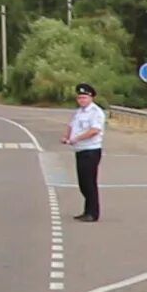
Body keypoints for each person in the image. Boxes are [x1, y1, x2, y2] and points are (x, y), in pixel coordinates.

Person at [61, 82, 105, 222]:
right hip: (80, 150)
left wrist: (76, 139)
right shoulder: (78, 112)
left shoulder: (95, 112)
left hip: (91, 150)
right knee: (82, 183)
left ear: (91, 97)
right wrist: (66, 136)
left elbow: (94, 130)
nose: (81, 100)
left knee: (89, 182)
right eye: (79, 97)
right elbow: (71, 126)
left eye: (84, 97)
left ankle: (93, 213)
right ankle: (87, 210)